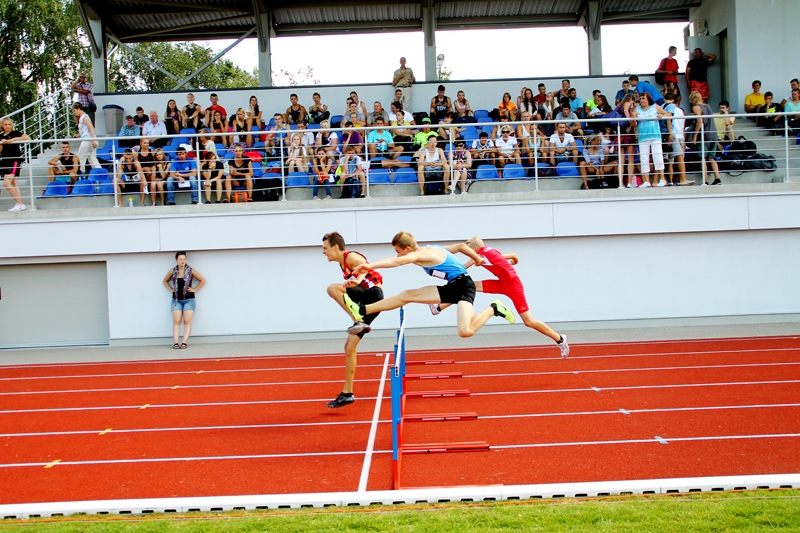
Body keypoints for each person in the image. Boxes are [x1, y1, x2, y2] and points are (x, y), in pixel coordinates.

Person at [343, 231, 514, 338]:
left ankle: (494, 308)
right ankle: (362, 310)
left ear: (407, 249)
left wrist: (370, 265)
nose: (398, 255)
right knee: (407, 295)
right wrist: (476, 258)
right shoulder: (433, 248)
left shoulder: (419, 254)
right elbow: (460, 246)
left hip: (464, 287)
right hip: (452, 286)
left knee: (465, 331)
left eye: (398, 251)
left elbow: (397, 263)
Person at [431, 237, 569, 357]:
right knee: (467, 286)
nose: (469, 254)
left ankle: (560, 339)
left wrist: (445, 270)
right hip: (501, 283)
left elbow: (466, 266)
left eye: (469, 251)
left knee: (529, 321)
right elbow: (514, 256)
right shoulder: (490, 250)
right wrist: (512, 261)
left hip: (514, 286)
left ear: (474, 248)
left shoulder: (482, 255)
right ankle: (438, 306)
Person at [320, 232, 385, 407]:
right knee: (349, 348)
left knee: (333, 289)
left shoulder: (351, 257)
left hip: (373, 295)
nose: (323, 252)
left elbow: (365, 267)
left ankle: (357, 319)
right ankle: (347, 393)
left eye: (325, 248)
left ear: (335, 247)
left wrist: (357, 280)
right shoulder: (342, 264)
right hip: (366, 300)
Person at [163, 251, 205, 349]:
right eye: (180, 259)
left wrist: (194, 289)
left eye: (184, 259)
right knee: (177, 321)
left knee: (187, 321)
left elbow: (202, 280)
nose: (182, 261)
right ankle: (176, 342)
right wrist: (171, 289)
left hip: (189, 299)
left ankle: (184, 342)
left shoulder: (190, 270)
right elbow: (165, 281)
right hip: (176, 299)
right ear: (176, 260)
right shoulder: (173, 271)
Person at [633, 92, 672, 187]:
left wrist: (661, 116)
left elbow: (669, 114)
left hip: (655, 136)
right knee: (644, 159)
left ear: (648, 99)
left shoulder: (655, 107)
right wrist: (634, 116)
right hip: (643, 137)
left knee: (657, 157)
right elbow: (632, 118)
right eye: (640, 98)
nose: (641, 100)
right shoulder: (637, 109)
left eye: (643, 98)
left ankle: (662, 179)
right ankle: (646, 181)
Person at [689, 90, 721, 186]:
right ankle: (717, 178)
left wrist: (695, 136)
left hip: (705, 135)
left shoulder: (696, 107)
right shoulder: (708, 106)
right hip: (713, 134)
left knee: (703, 158)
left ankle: (705, 181)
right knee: (711, 158)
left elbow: (699, 121)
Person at [661, 92, 694, 186]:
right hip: (676, 135)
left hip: (666, 135)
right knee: (679, 157)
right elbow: (681, 124)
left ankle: (670, 181)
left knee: (669, 161)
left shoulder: (662, 107)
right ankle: (682, 179)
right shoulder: (678, 110)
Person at [0, 117, 31, 212]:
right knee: (13, 183)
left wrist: (13, 139)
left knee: (7, 183)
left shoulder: (15, 133)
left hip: (14, 160)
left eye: (9, 124)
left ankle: (20, 204)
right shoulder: (1, 136)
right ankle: (19, 204)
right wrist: (2, 143)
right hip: (5, 161)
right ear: (2, 125)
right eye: (5, 124)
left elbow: (27, 138)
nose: (7, 126)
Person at [72, 103, 100, 176]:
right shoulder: (83, 117)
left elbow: (91, 127)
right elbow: (85, 130)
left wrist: (92, 140)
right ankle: (100, 174)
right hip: (89, 139)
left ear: (78, 108)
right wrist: (78, 135)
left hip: (88, 140)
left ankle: (81, 175)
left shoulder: (84, 117)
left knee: (81, 158)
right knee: (92, 159)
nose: (74, 112)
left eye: (74, 110)